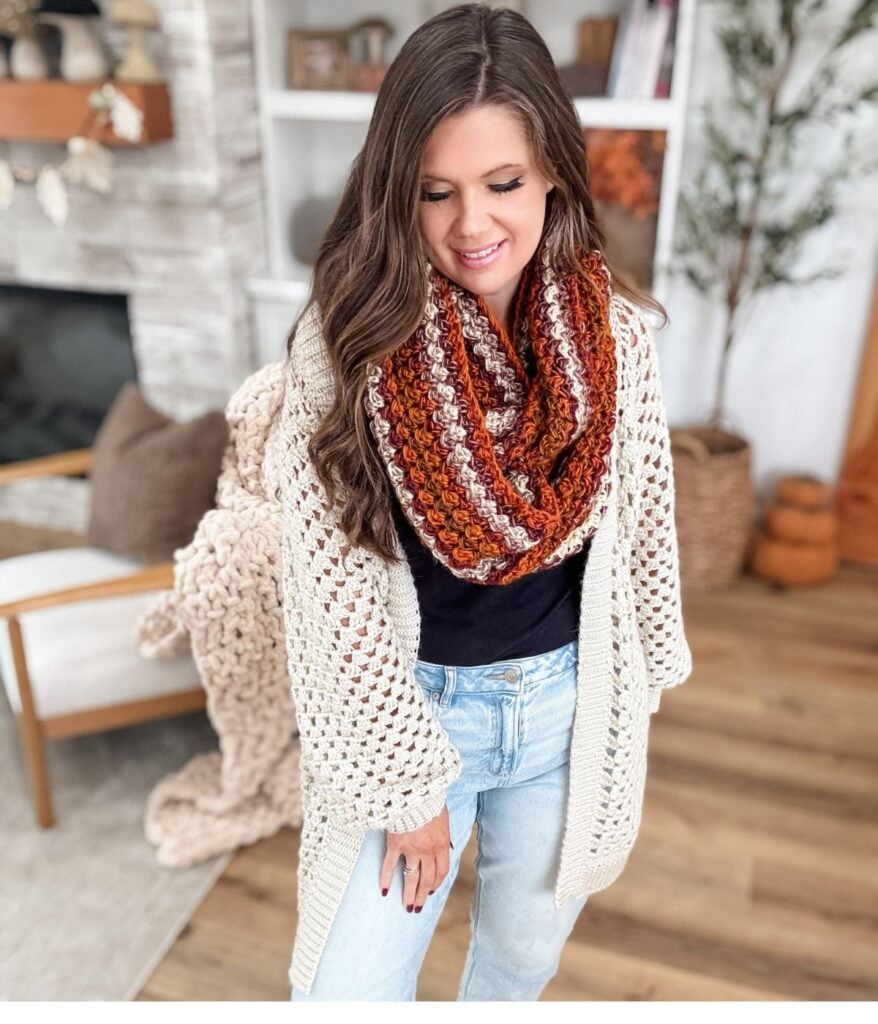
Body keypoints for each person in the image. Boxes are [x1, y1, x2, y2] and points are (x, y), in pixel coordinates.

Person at [280, 2, 692, 1002]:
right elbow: (324, 580)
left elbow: (640, 530)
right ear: (397, 193)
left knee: (515, 966)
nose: (472, 224)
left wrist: (628, 696)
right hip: (415, 717)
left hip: (563, 707)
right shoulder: (348, 344)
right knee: (345, 996)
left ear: (552, 168)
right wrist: (405, 781)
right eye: (435, 192)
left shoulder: (614, 338)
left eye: (502, 183)